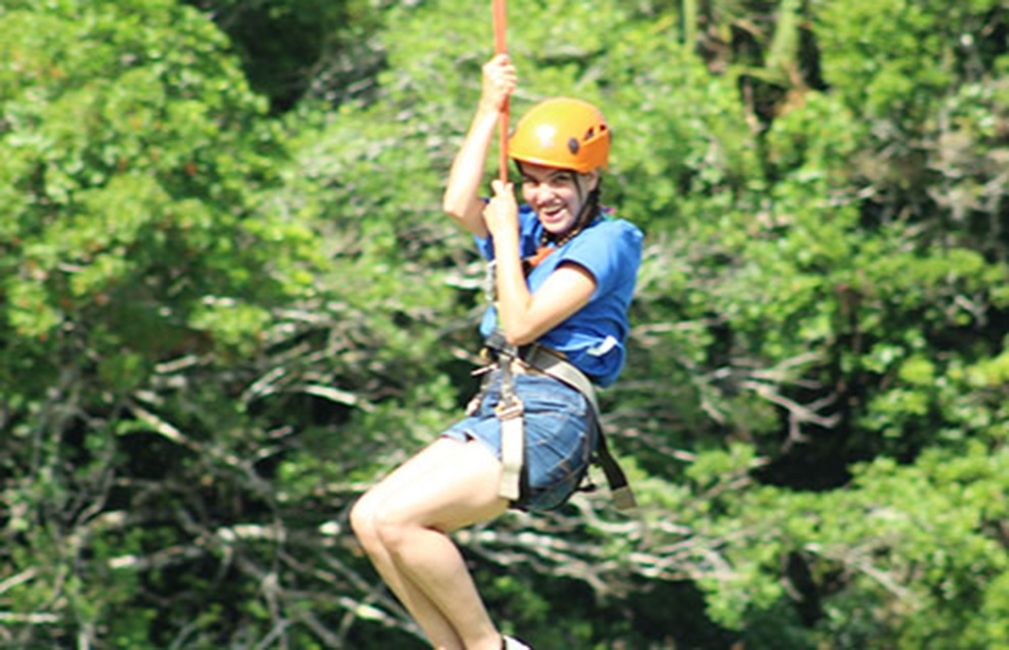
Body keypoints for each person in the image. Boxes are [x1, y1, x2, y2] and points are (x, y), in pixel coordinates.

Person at [350, 53, 643, 650]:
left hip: (550, 417)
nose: (542, 195)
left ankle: (491, 647)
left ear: (592, 181)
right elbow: (458, 203)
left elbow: (520, 322)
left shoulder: (611, 241)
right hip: (506, 402)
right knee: (372, 519)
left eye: (560, 180)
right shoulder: (533, 231)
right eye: (532, 180)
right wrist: (488, 107)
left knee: (406, 522)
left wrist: (506, 236)